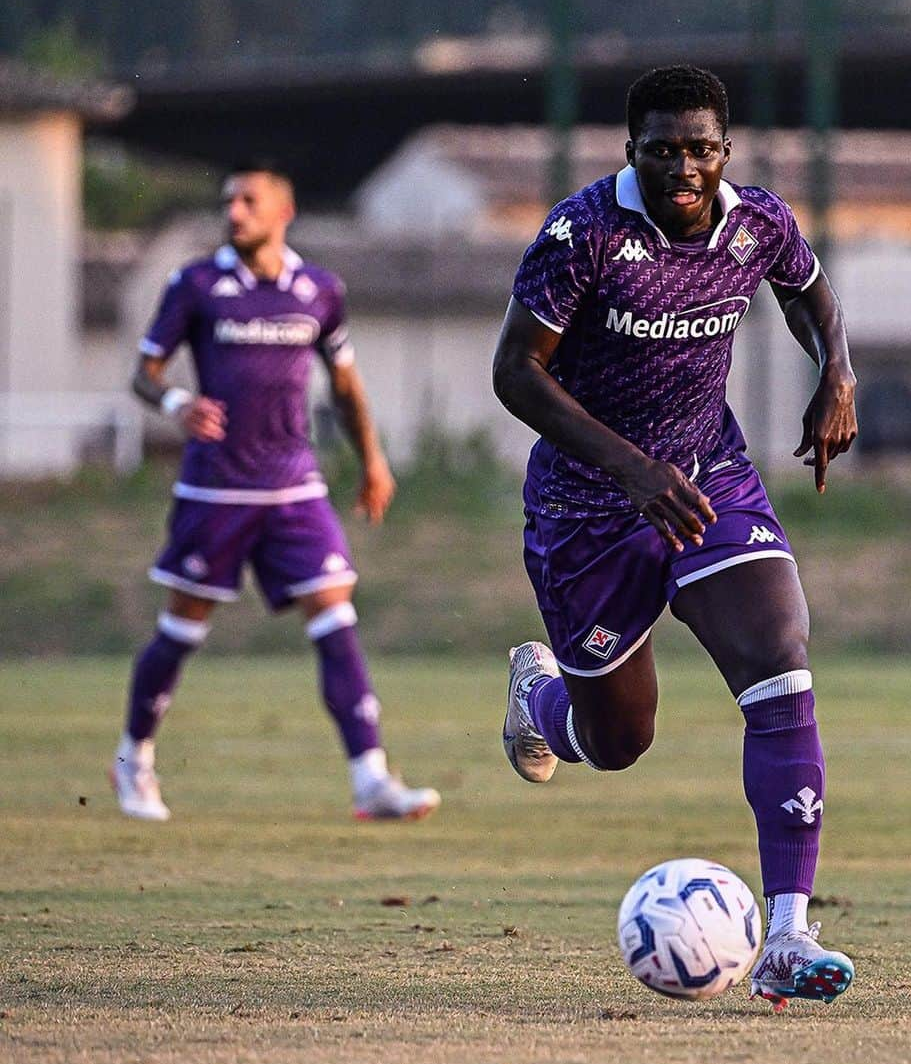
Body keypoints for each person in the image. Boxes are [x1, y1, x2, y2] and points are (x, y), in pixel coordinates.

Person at [493, 66, 858, 1009]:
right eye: (663, 151)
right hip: (588, 512)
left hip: (708, 481)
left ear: (724, 151)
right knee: (619, 741)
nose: (683, 168)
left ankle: (785, 935)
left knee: (780, 657)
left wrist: (839, 376)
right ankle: (542, 707)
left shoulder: (757, 222)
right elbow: (516, 375)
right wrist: (629, 470)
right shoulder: (582, 237)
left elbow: (809, 292)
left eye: (700, 149)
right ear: (631, 153)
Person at [111, 162, 439, 823]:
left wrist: (373, 461)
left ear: (282, 212)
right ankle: (133, 760)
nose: (235, 211)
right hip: (216, 489)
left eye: (249, 201)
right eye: (230, 200)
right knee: (181, 628)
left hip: (294, 485)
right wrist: (177, 401)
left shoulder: (319, 289)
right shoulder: (197, 284)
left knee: (335, 614)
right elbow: (144, 375)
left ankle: (370, 779)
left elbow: (345, 385)